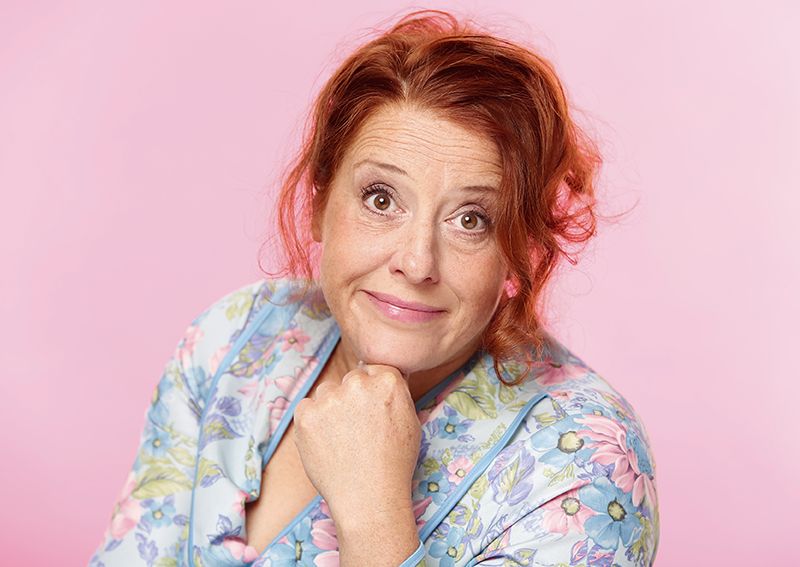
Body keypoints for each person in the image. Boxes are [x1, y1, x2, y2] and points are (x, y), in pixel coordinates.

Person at [89, 9, 659, 567]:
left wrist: (373, 517)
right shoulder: (237, 339)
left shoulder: (583, 463)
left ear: (518, 249)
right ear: (319, 204)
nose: (416, 262)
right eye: (381, 199)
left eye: (471, 219)